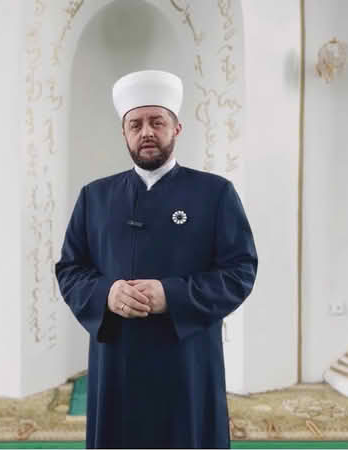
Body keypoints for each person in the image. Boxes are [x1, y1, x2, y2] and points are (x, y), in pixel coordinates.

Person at [55, 69, 258, 448]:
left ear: (176, 128)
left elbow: (240, 271)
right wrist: (106, 293)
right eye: (136, 124)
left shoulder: (215, 193)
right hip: (117, 361)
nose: (146, 132)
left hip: (187, 361)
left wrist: (172, 295)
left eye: (157, 122)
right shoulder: (94, 197)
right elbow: (70, 269)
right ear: (124, 133)